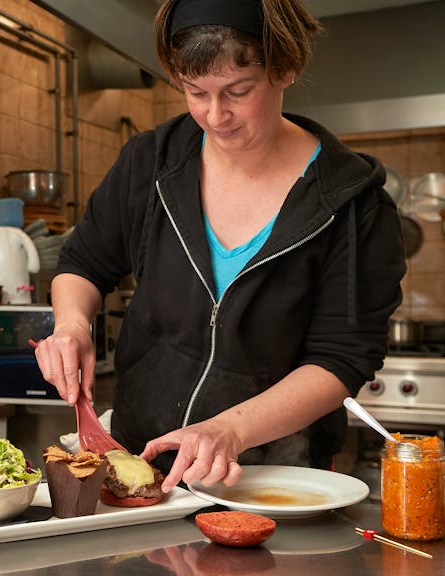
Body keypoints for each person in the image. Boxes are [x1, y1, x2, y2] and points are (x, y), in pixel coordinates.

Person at [32, 0, 406, 494]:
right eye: (195, 92)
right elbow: (84, 261)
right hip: (139, 465)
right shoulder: (152, 163)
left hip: (272, 478)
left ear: (285, 69)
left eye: (238, 91)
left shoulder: (353, 202)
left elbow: (341, 358)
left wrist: (229, 430)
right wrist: (73, 324)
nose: (215, 115)